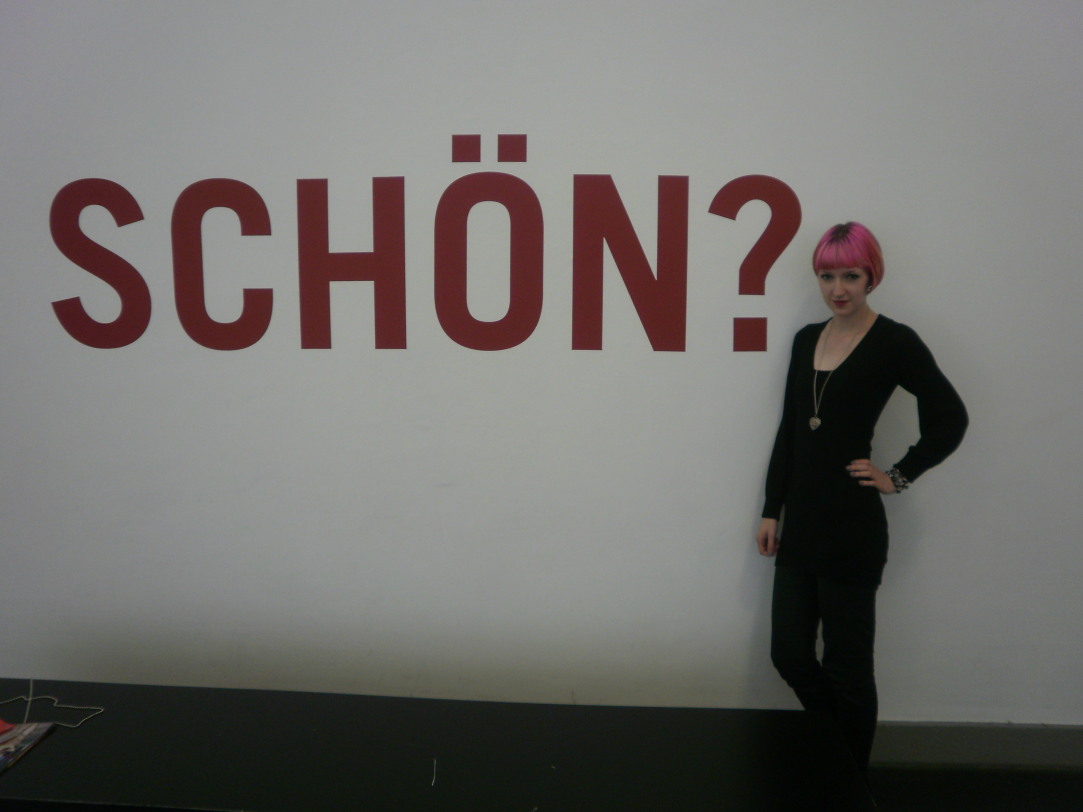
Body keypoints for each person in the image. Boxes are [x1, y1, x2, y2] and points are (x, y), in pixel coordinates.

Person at [755, 222, 967, 773]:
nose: (838, 289)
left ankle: (851, 782)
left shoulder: (895, 342)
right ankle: (837, 755)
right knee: (789, 653)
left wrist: (898, 475)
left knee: (847, 670)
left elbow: (950, 417)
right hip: (801, 526)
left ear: (871, 276)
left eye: (850, 276)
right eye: (827, 276)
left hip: (852, 527)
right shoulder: (807, 339)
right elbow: (791, 432)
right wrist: (772, 509)